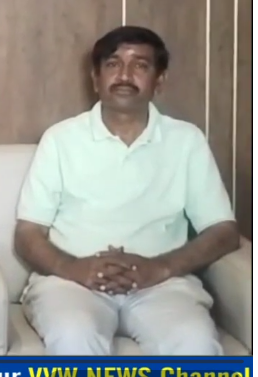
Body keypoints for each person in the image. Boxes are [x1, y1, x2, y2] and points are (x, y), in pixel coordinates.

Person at [14, 26, 239, 356]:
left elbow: (223, 232)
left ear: (159, 81)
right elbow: (27, 233)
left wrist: (159, 267)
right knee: (74, 338)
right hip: (71, 283)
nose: (124, 75)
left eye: (140, 65)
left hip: (161, 284)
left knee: (195, 345)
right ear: (95, 79)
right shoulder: (61, 139)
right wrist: (75, 268)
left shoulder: (186, 140)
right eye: (113, 64)